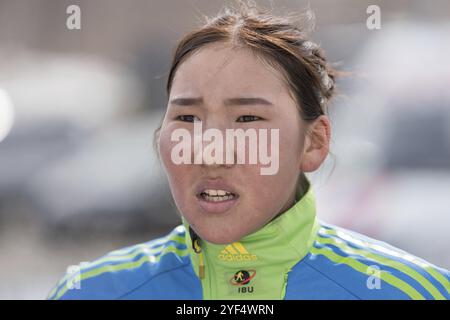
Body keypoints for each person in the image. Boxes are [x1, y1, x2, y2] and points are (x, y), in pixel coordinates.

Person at [47, 3, 449, 300]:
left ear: (314, 143)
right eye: (186, 118)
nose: (210, 151)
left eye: (247, 120)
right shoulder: (89, 292)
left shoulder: (411, 292)